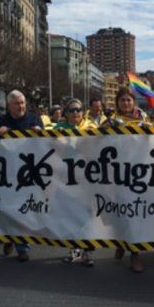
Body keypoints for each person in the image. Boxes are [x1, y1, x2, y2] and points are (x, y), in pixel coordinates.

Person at [0, 90, 44, 262]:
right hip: (6, 174)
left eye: (23, 103)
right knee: (7, 208)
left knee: (24, 209)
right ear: (9, 105)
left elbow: (47, 144)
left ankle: (22, 246)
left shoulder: (35, 119)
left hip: (28, 174)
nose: (21, 106)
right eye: (17, 103)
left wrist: (41, 133)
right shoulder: (0, 121)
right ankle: (9, 237)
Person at [100, 87, 148, 272]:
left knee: (135, 212)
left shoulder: (143, 120)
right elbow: (96, 139)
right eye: (122, 100)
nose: (126, 103)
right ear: (117, 103)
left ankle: (134, 254)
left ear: (134, 102)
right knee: (120, 211)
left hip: (138, 174)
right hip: (117, 174)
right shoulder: (111, 122)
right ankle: (121, 242)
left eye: (129, 100)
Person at [55, 98, 97, 267]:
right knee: (70, 215)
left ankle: (87, 251)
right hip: (66, 179)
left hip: (88, 179)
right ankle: (73, 250)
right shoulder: (58, 129)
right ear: (65, 113)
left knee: (88, 216)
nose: (75, 113)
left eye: (78, 110)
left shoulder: (91, 127)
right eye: (71, 110)